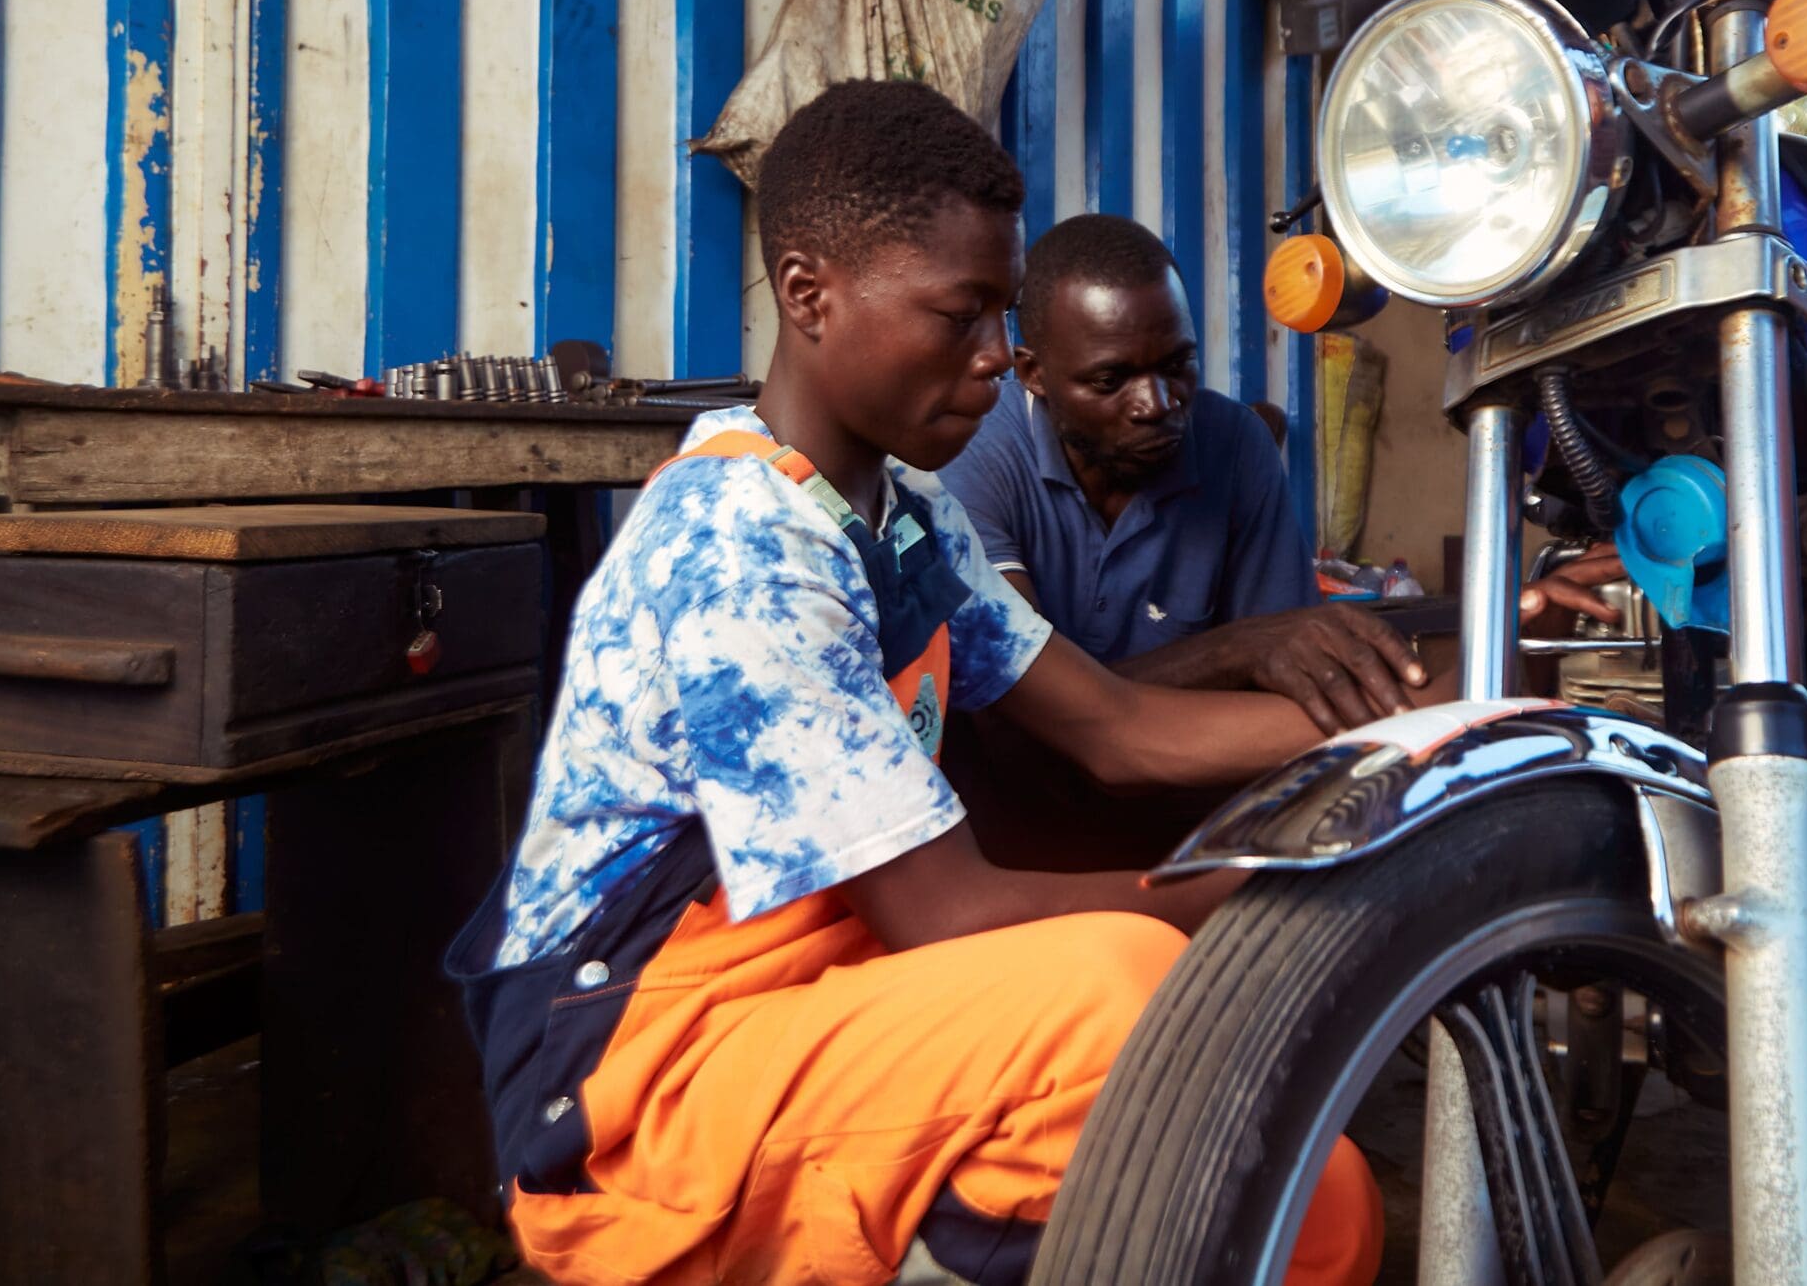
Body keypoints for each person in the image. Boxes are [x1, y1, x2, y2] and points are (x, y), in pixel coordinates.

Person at [446, 81, 1381, 1286]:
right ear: (807, 295)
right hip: (644, 1082)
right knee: (1122, 995)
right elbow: (949, 917)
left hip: (828, 1009)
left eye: (999, 315)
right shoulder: (738, 544)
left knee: (1308, 1183)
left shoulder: (906, 518)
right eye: (961, 314)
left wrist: (1408, 744)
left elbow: (1121, 728)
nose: (998, 359)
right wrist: (1284, 891)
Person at [934, 211, 1620, 864]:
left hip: (1185, 815)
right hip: (1018, 827)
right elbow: (1024, 719)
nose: (1157, 404)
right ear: (1032, 374)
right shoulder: (974, 458)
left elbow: (1291, 689)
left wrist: (1486, 650)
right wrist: (1243, 647)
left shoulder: (1232, 443)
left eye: (1176, 365)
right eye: (1110, 381)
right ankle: (1451, 708)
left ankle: (1466, 699)